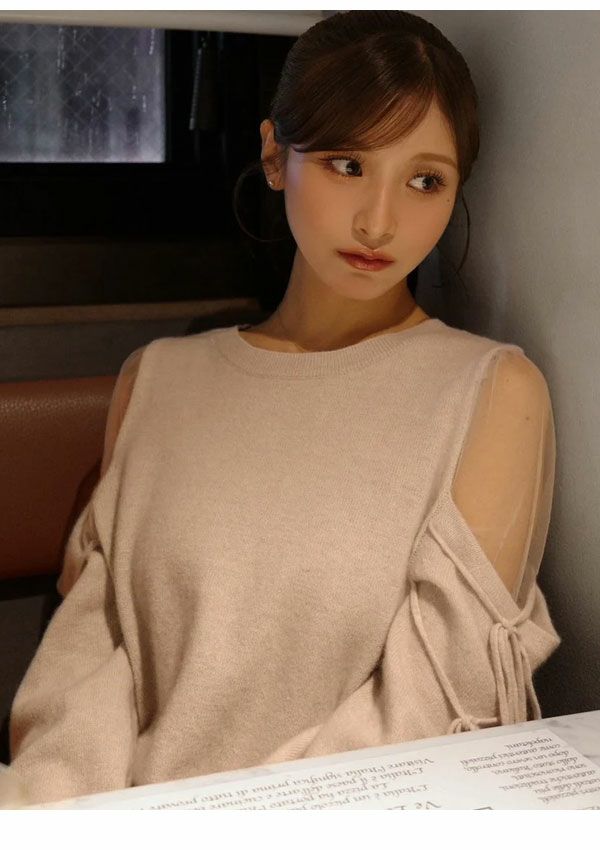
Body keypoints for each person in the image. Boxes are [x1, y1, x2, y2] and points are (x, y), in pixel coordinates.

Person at [7, 10, 560, 807]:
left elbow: (435, 706)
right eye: (347, 164)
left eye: (425, 181)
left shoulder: (493, 392)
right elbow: (89, 672)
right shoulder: (158, 380)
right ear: (274, 155)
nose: (379, 221)